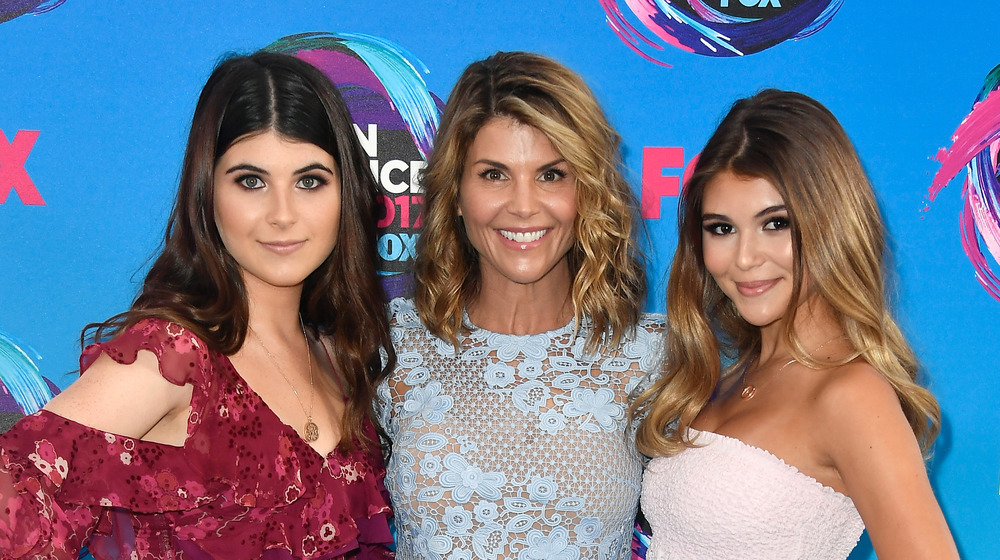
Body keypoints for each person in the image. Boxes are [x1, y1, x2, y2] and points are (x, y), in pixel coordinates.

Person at [0, 51, 396, 559]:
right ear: (208, 193)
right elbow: (20, 494)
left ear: (348, 193)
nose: (282, 214)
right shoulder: (176, 358)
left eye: (310, 181)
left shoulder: (339, 358)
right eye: (251, 181)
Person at [633, 89, 959, 559]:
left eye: (776, 224)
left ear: (831, 222)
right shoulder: (728, 379)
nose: (745, 258)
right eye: (722, 228)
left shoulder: (851, 394)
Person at [375, 51, 665, 560]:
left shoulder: (649, 356)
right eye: (494, 175)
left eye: (552, 174)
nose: (525, 205)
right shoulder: (394, 347)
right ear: (457, 193)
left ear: (587, 191)